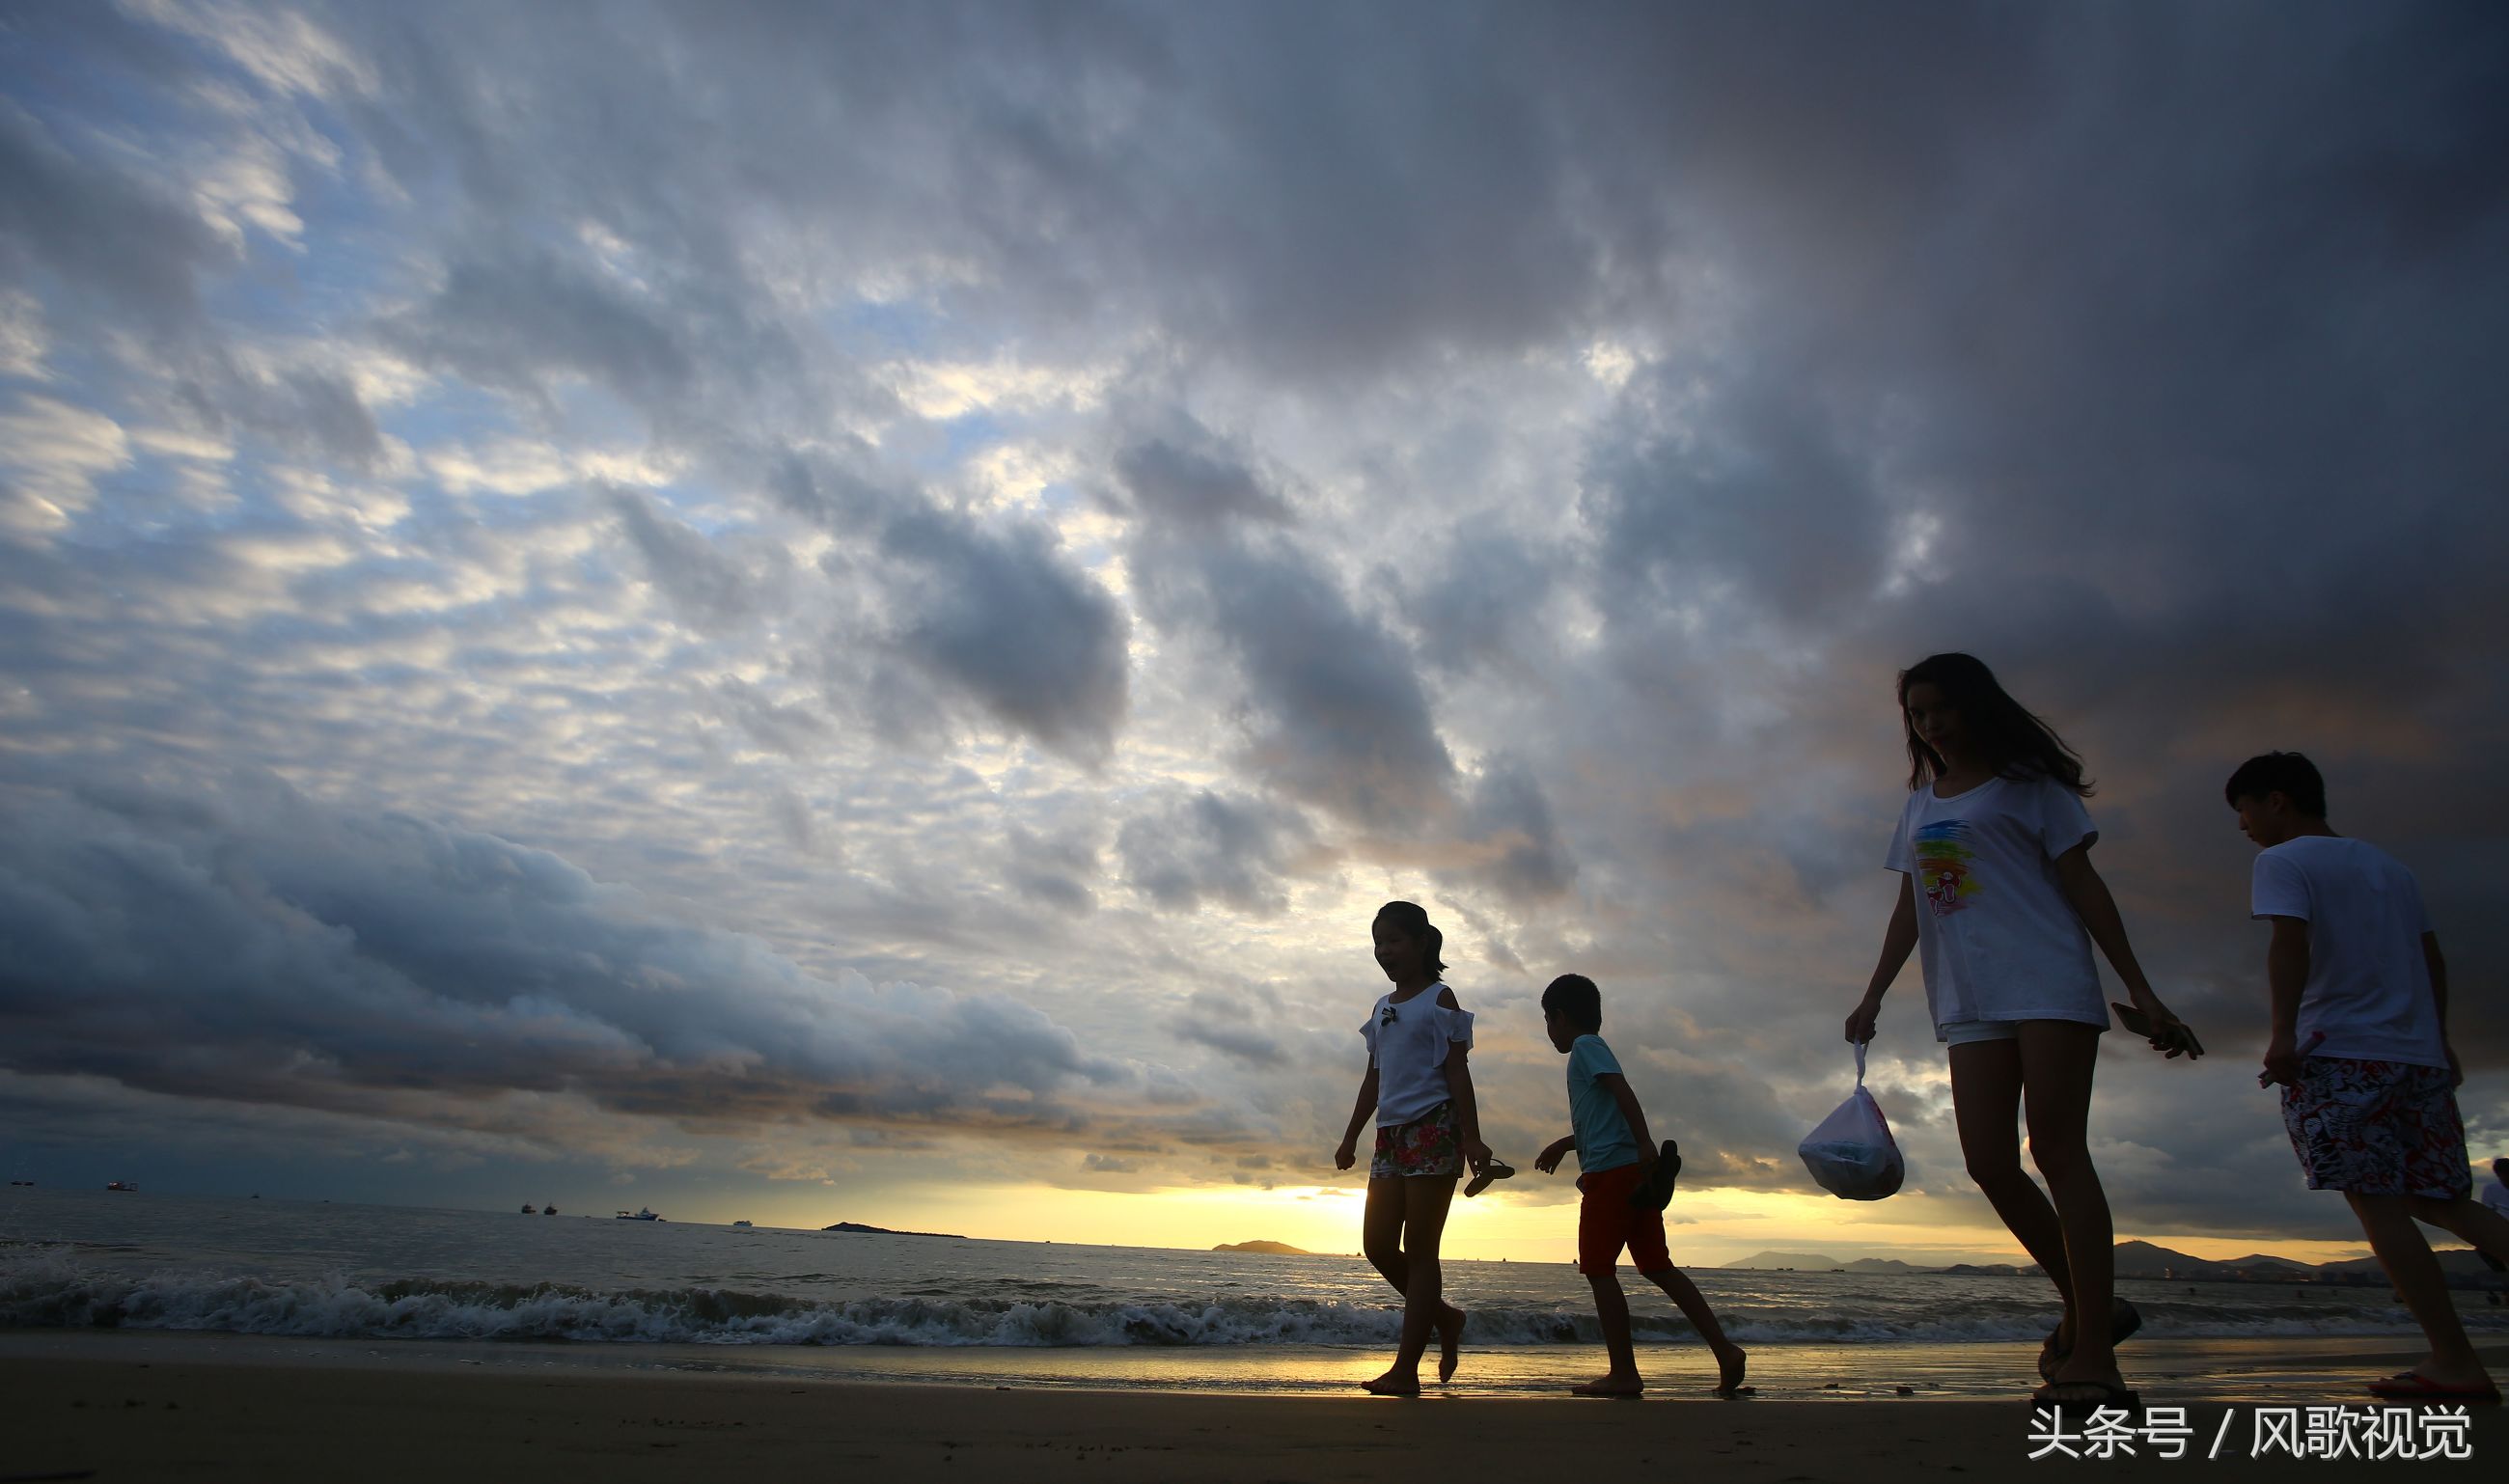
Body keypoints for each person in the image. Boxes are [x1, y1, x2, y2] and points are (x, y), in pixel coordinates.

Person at [1842, 653, 2194, 1411]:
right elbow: (1913, 908)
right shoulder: (1919, 804)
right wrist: (1873, 993)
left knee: (2058, 1151)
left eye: (1940, 708)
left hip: (2048, 979)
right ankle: (2089, 1309)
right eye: (1917, 714)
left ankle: (2096, 1356)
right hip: (1969, 997)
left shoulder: (2033, 787)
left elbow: (2083, 885)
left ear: (1974, 707)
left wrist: (2138, 985)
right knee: (1990, 1163)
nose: (1930, 724)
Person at [2228, 752, 2509, 1397]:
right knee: (2442, 1201)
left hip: (2342, 1052)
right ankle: (2454, 1358)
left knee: (2378, 1207)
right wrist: (2439, 1041)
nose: (2242, 827)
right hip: (2418, 1056)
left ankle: (2455, 1362)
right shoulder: (2391, 867)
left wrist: (2281, 1036)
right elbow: (2431, 959)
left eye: (2243, 810)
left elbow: (2289, 944)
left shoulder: (2282, 860)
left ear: (2277, 801)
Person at [1534, 974, 1748, 1397]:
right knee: (1657, 1265)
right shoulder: (1588, 1050)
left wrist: (1647, 1143)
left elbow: (1622, 1090)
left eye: (1547, 1019)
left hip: (1613, 1177)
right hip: (1630, 1173)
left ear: (1559, 1016)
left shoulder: (1584, 1047)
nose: (1547, 1030)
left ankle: (1624, 1373)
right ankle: (1725, 1350)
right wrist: (1567, 1143)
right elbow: (1603, 1118)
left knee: (1598, 1270)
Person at [1334, 900, 1490, 1395]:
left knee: (1421, 1251)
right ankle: (1445, 1319)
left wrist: (1471, 1136)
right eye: (1378, 943)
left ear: (1422, 942)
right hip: (1390, 1135)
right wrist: (1351, 1134)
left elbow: (1457, 1072)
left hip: (1434, 1127)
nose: (1385, 952)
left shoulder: (1440, 1000)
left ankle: (1405, 1370)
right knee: (1378, 1245)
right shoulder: (1382, 1008)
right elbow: (1373, 1077)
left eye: (1394, 940)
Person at [2483, 1159, 2509, 1305]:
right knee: (2484, 1250)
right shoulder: (2491, 1189)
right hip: (2500, 1229)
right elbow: (2487, 1214)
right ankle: (2506, 1285)